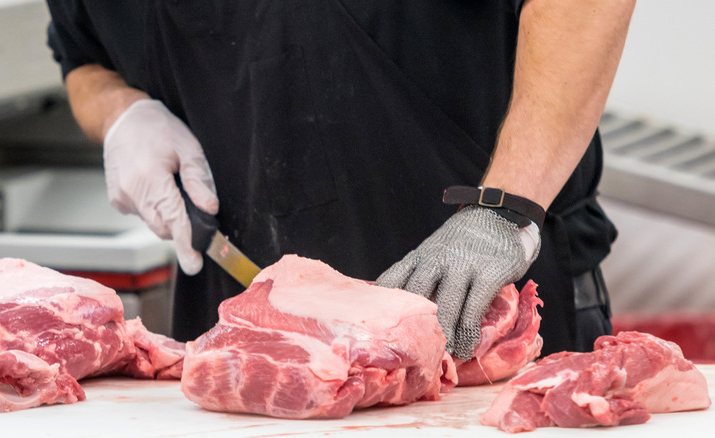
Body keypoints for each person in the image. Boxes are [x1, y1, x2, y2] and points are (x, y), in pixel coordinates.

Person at [46, 0, 634, 360]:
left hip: (483, 321)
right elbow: (83, 57)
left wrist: (503, 210)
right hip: (253, 348)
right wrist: (120, 113)